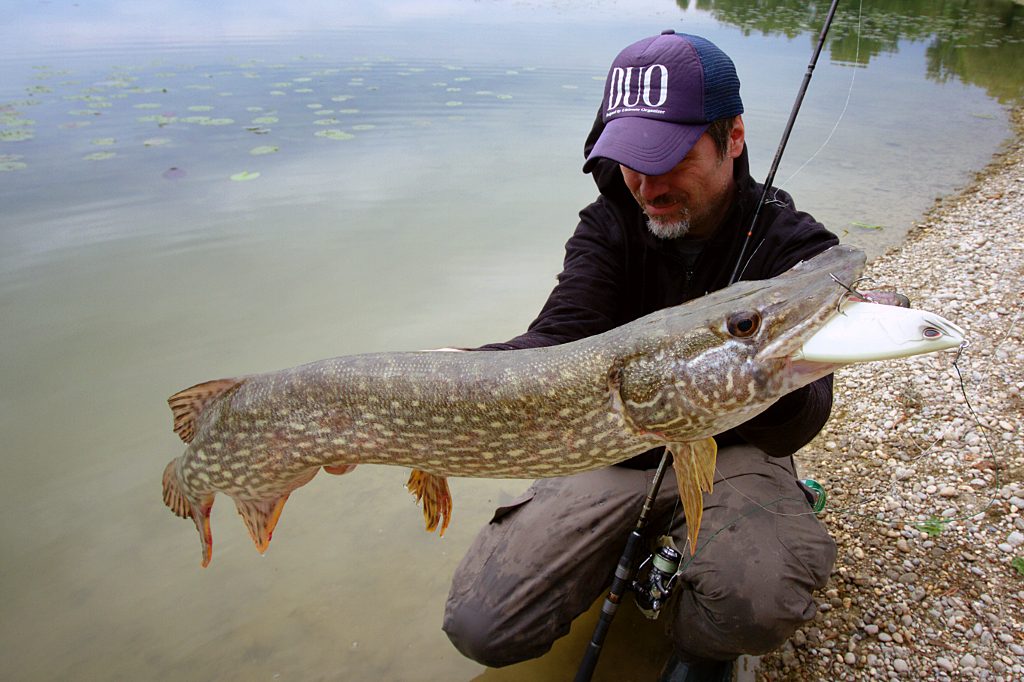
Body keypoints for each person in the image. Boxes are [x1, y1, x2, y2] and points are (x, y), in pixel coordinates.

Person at [442, 31, 838, 681]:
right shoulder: (609, 224)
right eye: (630, 155)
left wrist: (760, 371)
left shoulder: (793, 246)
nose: (644, 181)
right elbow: (558, 338)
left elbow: (803, 418)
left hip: (733, 452)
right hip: (615, 452)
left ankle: (700, 644)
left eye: (668, 155)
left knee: (754, 599)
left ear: (732, 137)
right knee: (481, 623)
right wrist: (465, 368)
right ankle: (638, 556)